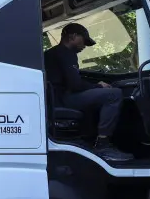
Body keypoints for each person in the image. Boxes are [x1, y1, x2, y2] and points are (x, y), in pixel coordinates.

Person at [44, 23, 133, 164]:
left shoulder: (52, 53)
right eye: (83, 41)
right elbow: (75, 85)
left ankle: (88, 138)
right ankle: (103, 145)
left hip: (54, 98)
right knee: (113, 94)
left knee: (99, 97)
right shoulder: (66, 54)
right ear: (72, 36)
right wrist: (98, 85)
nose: (84, 45)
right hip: (63, 98)